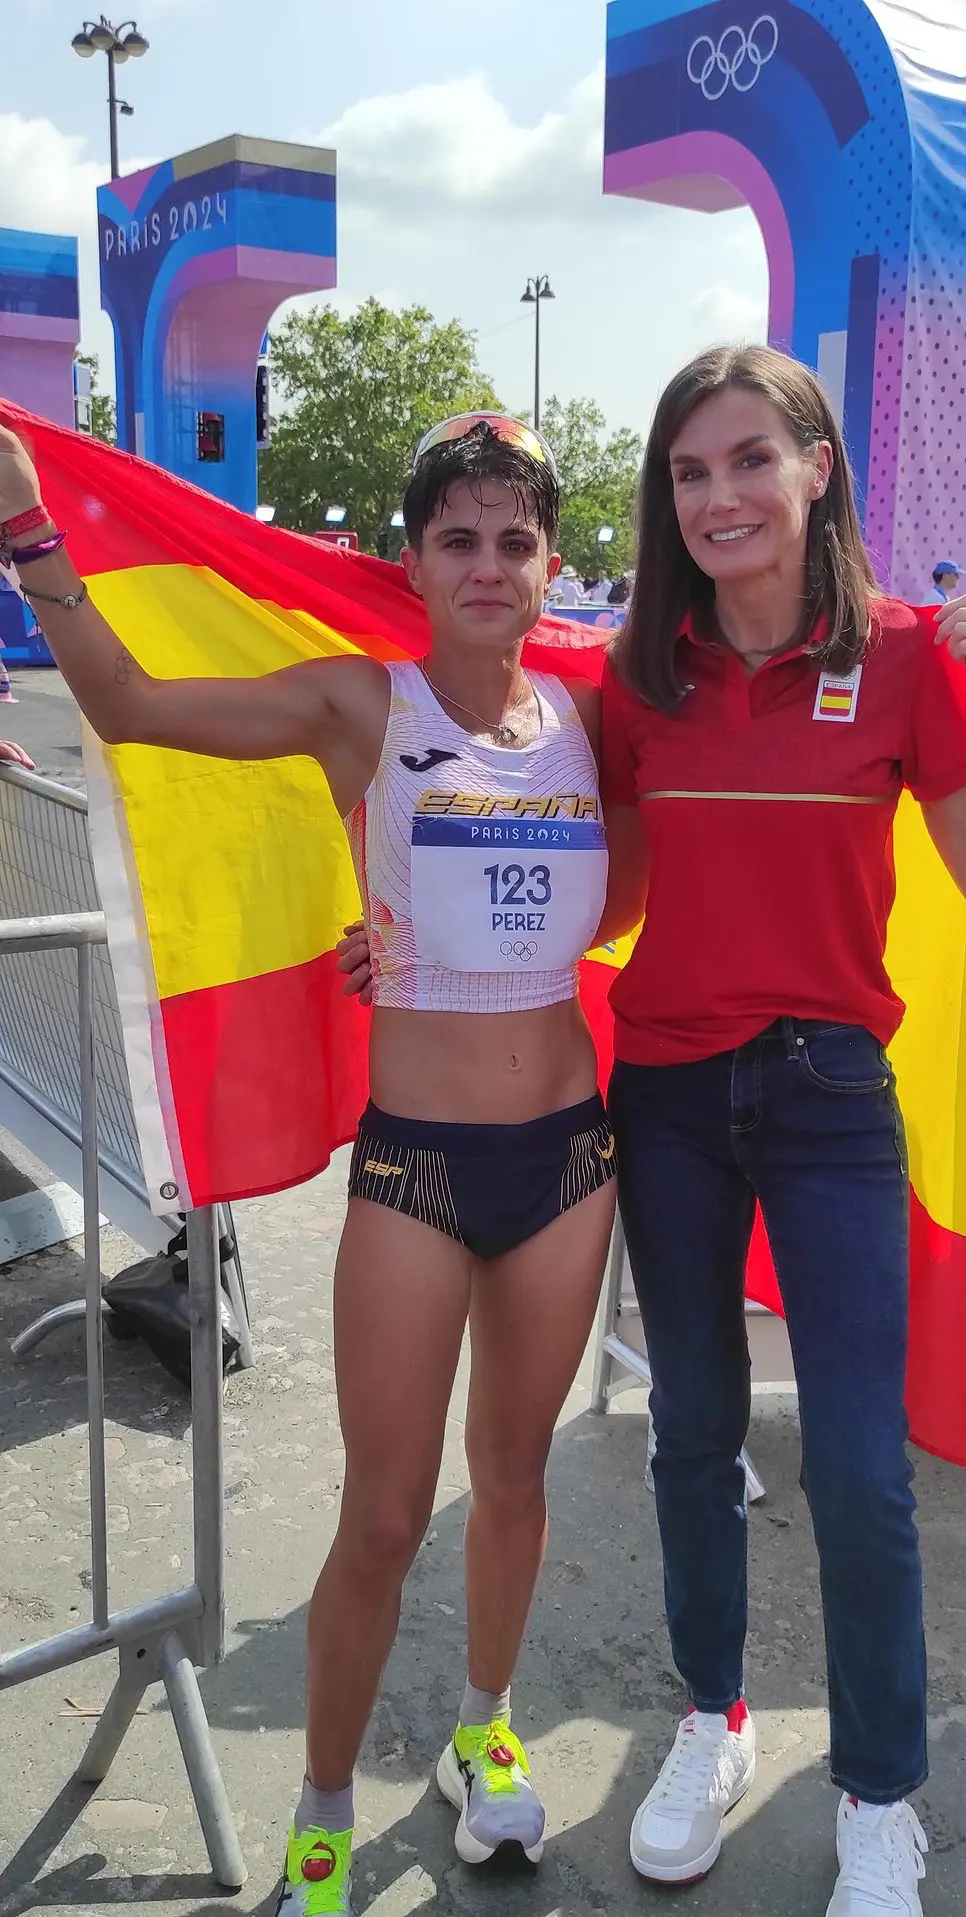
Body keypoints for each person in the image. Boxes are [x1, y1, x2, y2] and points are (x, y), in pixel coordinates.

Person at [337, 346, 966, 1915]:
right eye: (688, 471)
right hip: (663, 1094)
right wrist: (404, 929)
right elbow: (572, 855)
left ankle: (877, 1792)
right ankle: (711, 1721)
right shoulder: (637, 682)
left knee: (860, 1469)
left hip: (827, 1098)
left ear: (816, 471)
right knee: (690, 1441)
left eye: (748, 460)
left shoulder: (918, 660)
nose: (719, 495)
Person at [0, 412, 623, 1913]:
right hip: (416, 1168)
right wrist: (32, 539)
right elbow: (136, 705)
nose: (487, 564)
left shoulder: (601, 718)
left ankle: (485, 1736)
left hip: (568, 1159)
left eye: (513, 540)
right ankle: (327, 1814)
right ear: (414, 562)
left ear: (548, 566)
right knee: (386, 1515)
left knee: (517, 1478)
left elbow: (621, 901)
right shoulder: (366, 700)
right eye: (457, 538)